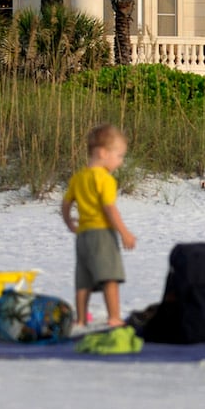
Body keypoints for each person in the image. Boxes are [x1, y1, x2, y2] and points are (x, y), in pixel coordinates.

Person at [60, 123, 137, 327]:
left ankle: (81, 319)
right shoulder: (105, 179)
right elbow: (109, 209)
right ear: (103, 153)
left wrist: (69, 222)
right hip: (102, 233)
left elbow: (66, 203)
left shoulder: (78, 177)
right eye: (119, 156)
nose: (120, 162)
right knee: (110, 277)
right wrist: (124, 233)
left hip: (83, 235)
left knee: (83, 280)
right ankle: (114, 317)